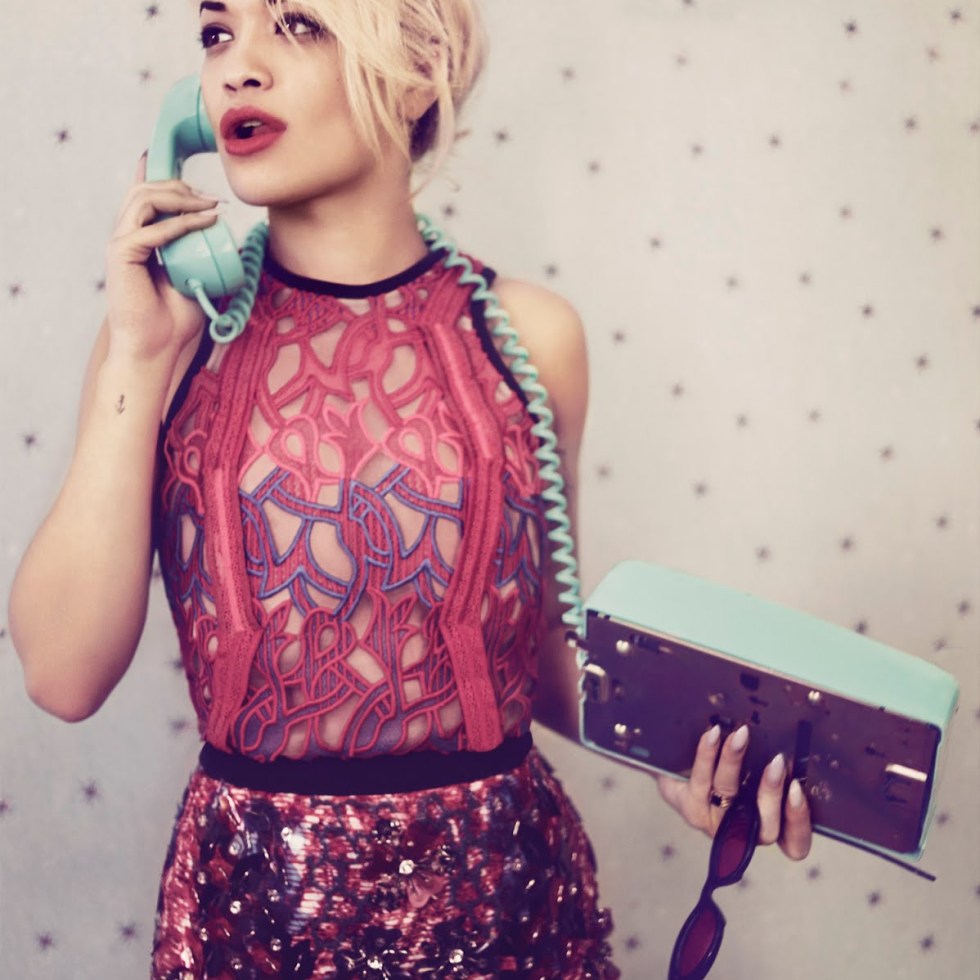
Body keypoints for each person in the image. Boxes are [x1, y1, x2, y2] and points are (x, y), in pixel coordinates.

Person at [7, 1, 811, 976]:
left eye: (297, 23)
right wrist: (137, 358)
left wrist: (681, 759)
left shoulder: (529, 335)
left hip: (503, 907)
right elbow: (62, 676)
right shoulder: (165, 334)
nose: (236, 68)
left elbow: (531, 653)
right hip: (258, 916)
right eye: (217, 32)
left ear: (419, 71)